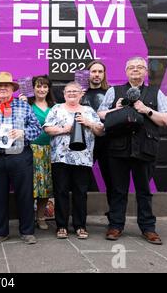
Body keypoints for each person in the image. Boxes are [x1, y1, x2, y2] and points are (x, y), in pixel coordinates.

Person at [98, 57, 167, 245]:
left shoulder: (155, 93)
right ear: (126, 71)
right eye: (131, 67)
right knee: (117, 190)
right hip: (118, 148)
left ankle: (148, 228)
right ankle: (115, 225)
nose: (135, 70)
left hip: (145, 149)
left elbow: (165, 120)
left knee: (144, 191)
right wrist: (115, 109)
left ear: (146, 72)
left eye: (140, 67)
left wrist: (146, 109)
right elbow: (100, 114)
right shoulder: (113, 91)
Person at [0, 72, 42, 245]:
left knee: (25, 195)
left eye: (6, 86)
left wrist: (23, 132)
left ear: (12, 89)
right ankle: (0, 232)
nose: (3, 88)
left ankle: (27, 231)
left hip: (20, 156)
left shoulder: (23, 106)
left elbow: (37, 129)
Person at [44, 82, 104, 239]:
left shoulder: (89, 111)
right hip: (60, 158)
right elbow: (47, 128)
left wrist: (89, 123)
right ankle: (61, 225)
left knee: (81, 192)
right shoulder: (57, 109)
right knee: (61, 191)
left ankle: (80, 225)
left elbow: (100, 131)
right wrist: (65, 129)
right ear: (64, 94)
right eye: (68, 91)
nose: (71, 93)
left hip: (82, 159)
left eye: (75, 91)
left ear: (81, 94)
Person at [20, 75, 55, 230]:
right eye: (39, 86)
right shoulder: (26, 104)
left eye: (45, 86)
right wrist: (20, 105)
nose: (42, 89)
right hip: (31, 150)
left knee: (45, 186)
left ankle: (41, 217)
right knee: (30, 186)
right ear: (33, 88)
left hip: (49, 150)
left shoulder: (55, 106)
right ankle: (28, 218)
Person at [81, 60, 113, 215]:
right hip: (85, 143)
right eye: (93, 71)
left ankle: (114, 216)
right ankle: (80, 218)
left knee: (112, 181)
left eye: (100, 71)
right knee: (81, 181)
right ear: (88, 73)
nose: (97, 75)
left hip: (107, 143)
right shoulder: (80, 93)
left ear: (104, 74)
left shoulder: (111, 93)